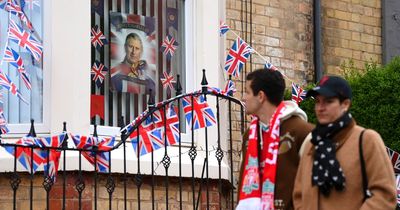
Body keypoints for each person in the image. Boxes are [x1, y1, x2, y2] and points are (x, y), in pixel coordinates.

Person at [293, 75, 397, 210]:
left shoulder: (367, 140)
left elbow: (385, 195)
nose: (320, 107)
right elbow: (299, 194)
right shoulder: (311, 144)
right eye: (317, 101)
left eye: (328, 101)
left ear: (345, 104)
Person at [237, 69, 314, 210]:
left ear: (260, 96)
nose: (243, 98)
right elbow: (243, 182)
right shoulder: (249, 135)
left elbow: (314, 188)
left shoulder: (303, 132)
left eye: (247, 92)